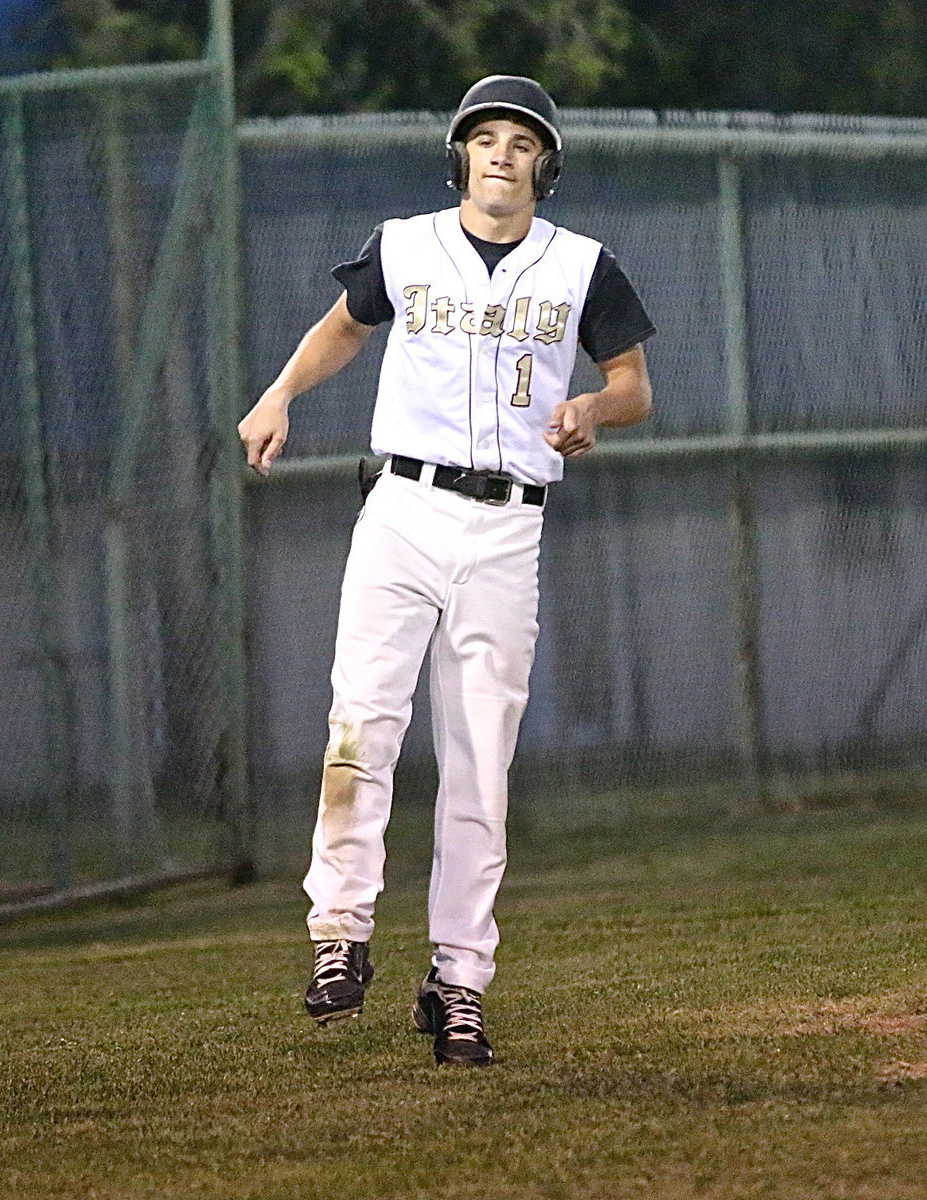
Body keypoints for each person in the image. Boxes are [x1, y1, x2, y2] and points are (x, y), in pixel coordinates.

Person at [238, 75, 656, 1067]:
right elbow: (344, 326)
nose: (501, 152)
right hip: (403, 509)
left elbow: (632, 384)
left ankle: (459, 979)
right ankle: (339, 935)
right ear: (459, 156)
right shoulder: (405, 243)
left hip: (506, 527)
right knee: (362, 721)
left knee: (478, 758)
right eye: (484, 138)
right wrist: (279, 393)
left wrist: (593, 409)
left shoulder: (582, 268)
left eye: (520, 140)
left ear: (544, 166)